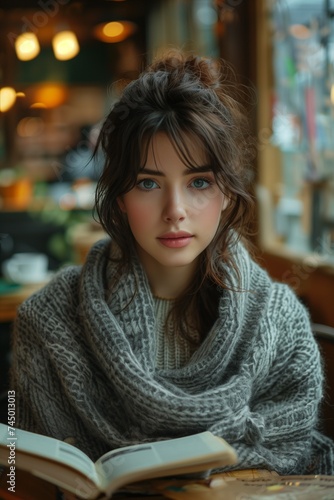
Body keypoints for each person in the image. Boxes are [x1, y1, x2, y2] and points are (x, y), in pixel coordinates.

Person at [11, 51, 334, 477]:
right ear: (120, 197)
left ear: (227, 195)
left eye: (199, 182)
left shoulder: (281, 322)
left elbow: (293, 460)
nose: (175, 210)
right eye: (148, 183)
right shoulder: (48, 319)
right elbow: (21, 476)